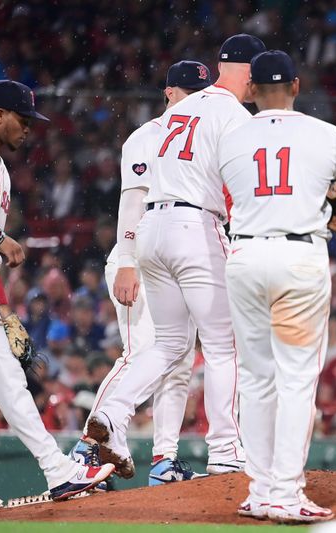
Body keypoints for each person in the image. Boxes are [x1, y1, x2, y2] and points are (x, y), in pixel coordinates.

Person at [85, 34, 267, 478]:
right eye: (256, 76)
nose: (257, 86)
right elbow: (243, 183)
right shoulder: (234, 114)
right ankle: (225, 448)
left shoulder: (177, 112)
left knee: (168, 343)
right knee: (225, 345)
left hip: (152, 230)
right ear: (247, 70)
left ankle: (111, 414)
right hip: (196, 226)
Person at [220, 50, 336, 523]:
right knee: (297, 378)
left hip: (243, 255)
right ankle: (284, 492)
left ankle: (260, 490)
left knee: (257, 379)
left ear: (252, 90)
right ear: (297, 87)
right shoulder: (325, 134)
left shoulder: (232, 136)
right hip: (298, 257)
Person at [70, 61, 214, 486]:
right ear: (169, 93)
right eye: (189, 93)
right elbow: (133, 202)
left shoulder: (206, 135)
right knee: (143, 352)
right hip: (140, 253)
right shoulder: (148, 135)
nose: (197, 101)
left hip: (176, 254)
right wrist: (128, 260)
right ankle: (86, 449)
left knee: (180, 359)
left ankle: (165, 459)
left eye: (202, 94)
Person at [0, 79, 113, 499]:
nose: (27, 129)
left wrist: (4, 309)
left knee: (12, 385)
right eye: (22, 119)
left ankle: (58, 472)